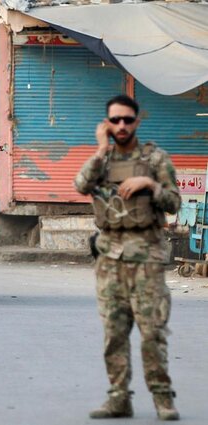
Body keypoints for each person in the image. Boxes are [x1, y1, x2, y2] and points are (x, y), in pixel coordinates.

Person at [74, 95, 181, 421]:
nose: (122, 126)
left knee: (152, 333)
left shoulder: (155, 159)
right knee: (114, 334)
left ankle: (163, 398)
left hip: (146, 257)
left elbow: (174, 203)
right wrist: (100, 149)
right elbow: (80, 185)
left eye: (127, 120)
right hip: (110, 260)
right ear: (108, 124)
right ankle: (119, 398)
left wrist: (149, 183)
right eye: (115, 120)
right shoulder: (102, 161)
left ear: (136, 122)